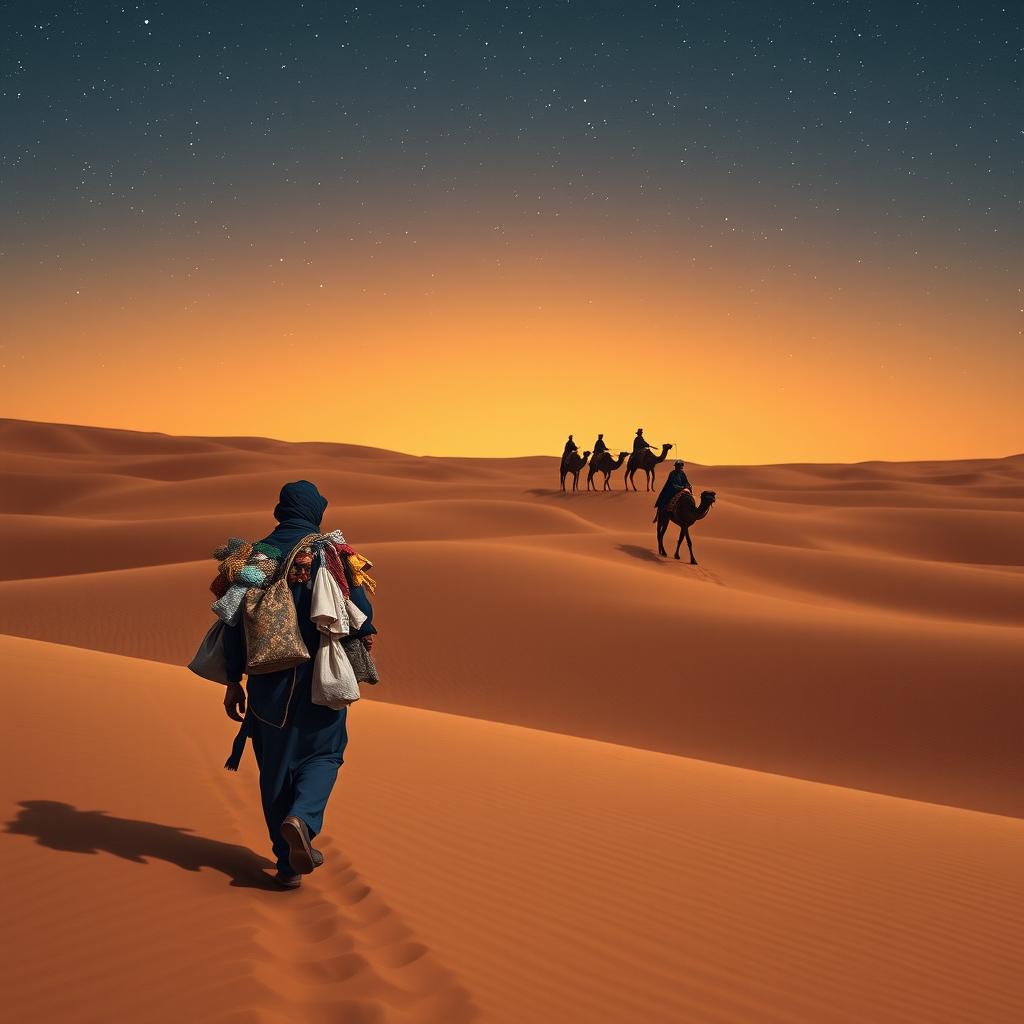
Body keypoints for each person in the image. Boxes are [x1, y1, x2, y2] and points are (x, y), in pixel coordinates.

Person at [219, 480, 377, 889]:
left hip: (268, 690)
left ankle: (286, 864)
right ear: (315, 511)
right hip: (321, 683)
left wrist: (233, 681)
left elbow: (233, 623)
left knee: (274, 772)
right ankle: (302, 818)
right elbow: (361, 613)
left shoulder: (257, 558)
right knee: (324, 756)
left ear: (280, 511)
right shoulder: (334, 553)